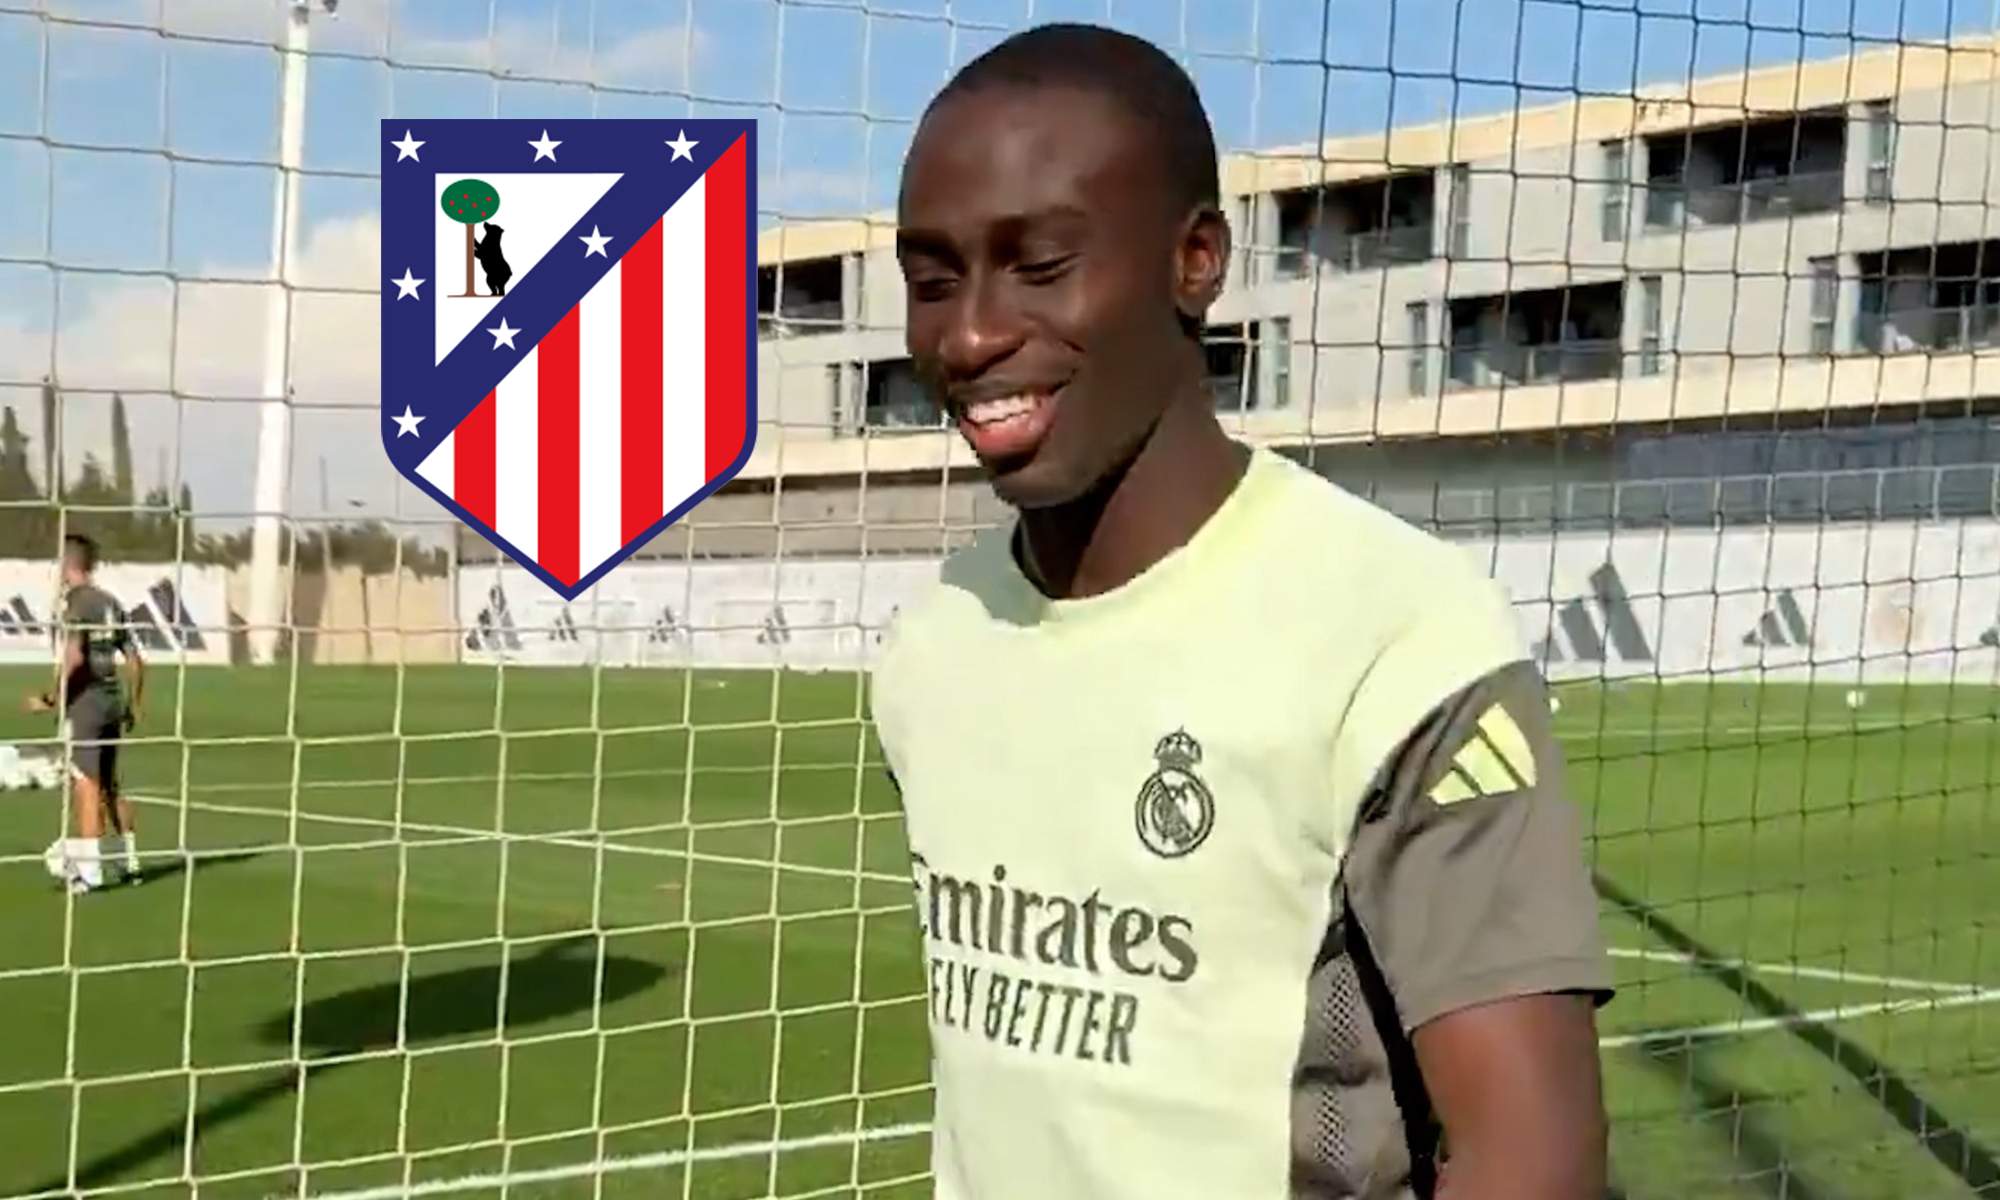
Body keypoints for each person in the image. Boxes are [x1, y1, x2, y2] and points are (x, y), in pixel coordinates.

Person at [869, 22, 1614, 1200]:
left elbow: (1533, 1161)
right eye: (930, 280)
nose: (967, 335)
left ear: (1195, 259)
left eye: (1041, 267)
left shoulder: (1396, 635)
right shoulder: (932, 642)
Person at [27, 534, 145, 893]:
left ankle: (90, 873)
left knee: (86, 783)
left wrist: (51, 698)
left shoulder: (77, 602)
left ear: (68, 566)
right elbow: (137, 662)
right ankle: (131, 862)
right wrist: (133, 705)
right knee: (110, 782)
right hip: (112, 698)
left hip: (87, 703)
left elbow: (76, 655)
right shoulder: (111, 602)